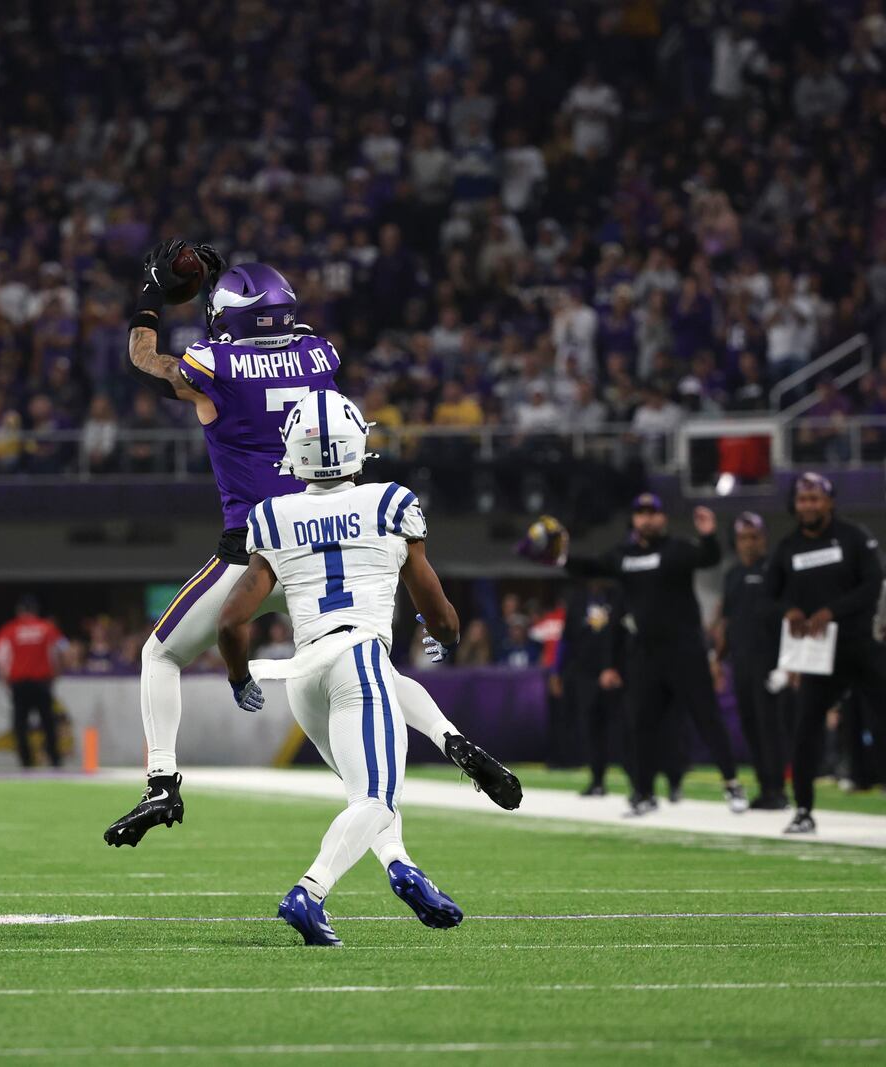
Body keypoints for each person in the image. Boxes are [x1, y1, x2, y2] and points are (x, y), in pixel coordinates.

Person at [106, 244, 517, 847]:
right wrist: (232, 293)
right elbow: (274, 332)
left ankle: (163, 781)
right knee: (367, 664)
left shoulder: (209, 365)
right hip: (321, 543)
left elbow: (145, 359)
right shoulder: (316, 357)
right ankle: (451, 737)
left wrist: (149, 298)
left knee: (159, 655)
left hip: (252, 550)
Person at [216, 390, 517, 944]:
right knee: (376, 798)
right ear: (359, 444)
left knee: (366, 796)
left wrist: (238, 678)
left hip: (304, 671)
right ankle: (309, 892)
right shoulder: (389, 502)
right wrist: (443, 637)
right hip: (361, 657)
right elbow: (438, 612)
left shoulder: (273, 515)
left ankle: (402, 863)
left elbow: (233, 621)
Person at [525, 495, 749, 816]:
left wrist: (709, 534)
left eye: (653, 513)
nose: (647, 519)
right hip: (645, 654)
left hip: (685, 650)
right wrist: (559, 556)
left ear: (663, 519)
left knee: (707, 718)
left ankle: (732, 784)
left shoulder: (678, 549)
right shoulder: (624, 555)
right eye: (641, 513)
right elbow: (592, 566)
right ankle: (644, 793)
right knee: (640, 725)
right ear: (634, 520)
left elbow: (709, 558)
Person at [767, 473, 886, 834]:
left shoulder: (854, 536)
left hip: (859, 645)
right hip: (818, 656)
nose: (809, 505)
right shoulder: (787, 547)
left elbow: (872, 584)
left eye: (815, 498)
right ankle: (803, 810)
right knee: (805, 730)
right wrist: (787, 610)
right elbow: (768, 597)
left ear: (830, 502)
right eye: (803, 499)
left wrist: (830, 611)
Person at [716, 512, 790, 810]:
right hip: (741, 662)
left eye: (754, 536)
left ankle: (778, 789)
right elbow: (727, 620)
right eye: (743, 537)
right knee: (750, 726)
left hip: (770, 661)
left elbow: (790, 617)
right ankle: (764, 787)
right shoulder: (731, 575)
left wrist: (788, 663)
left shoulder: (776, 571)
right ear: (735, 541)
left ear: (764, 538)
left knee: (769, 726)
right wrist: (717, 659)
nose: (749, 543)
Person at [557, 580, 627, 797]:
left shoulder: (618, 598)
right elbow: (566, 639)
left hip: (615, 672)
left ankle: (637, 782)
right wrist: (556, 670)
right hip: (585, 674)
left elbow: (625, 635)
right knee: (590, 728)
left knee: (622, 727)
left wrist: (619, 667)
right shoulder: (578, 601)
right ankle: (597, 780)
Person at [0, 596, 66, 768]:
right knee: (48, 723)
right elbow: (64, 648)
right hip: (42, 683)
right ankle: (54, 759)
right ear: (36, 610)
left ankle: (25, 761)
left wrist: (5, 679)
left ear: (19, 611)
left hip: (19, 685)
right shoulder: (47, 628)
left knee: (20, 725)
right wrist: (57, 672)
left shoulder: (10, 630)